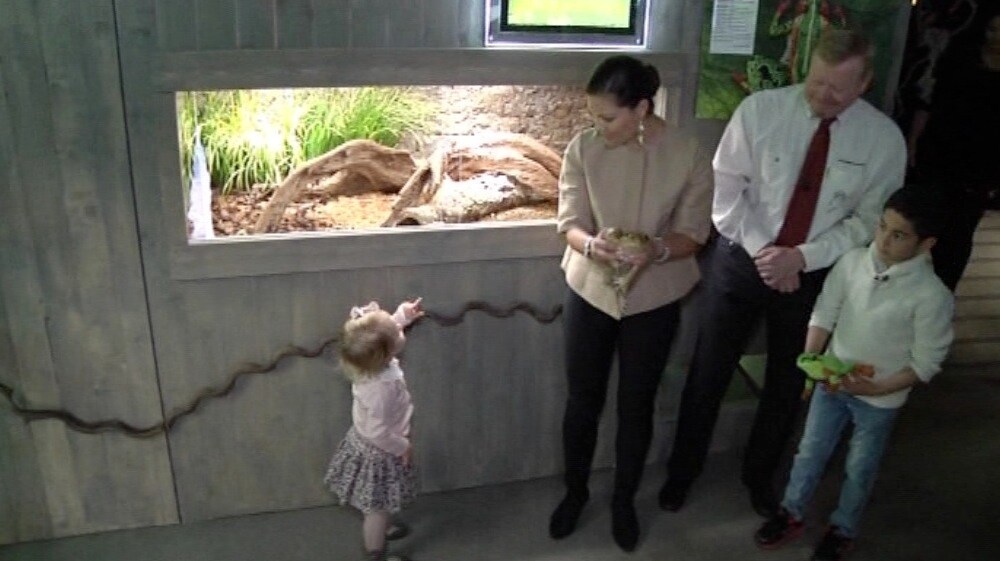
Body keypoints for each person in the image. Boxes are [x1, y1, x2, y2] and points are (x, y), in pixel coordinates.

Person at [659, 29, 907, 519]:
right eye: (816, 82)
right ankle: (681, 473)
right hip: (740, 259)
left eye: (837, 88)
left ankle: (760, 476)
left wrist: (802, 257)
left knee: (787, 383)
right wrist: (767, 252)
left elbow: (868, 221)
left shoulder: (883, 140)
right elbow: (725, 191)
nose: (822, 95)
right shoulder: (761, 111)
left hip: (812, 276)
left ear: (864, 84)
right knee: (708, 370)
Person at [549, 54, 714, 552]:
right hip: (591, 289)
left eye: (608, 117)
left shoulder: (687, 153)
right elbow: (569, 220)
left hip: (654, 296)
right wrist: (589, 244)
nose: (597, 127)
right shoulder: (582, 148)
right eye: (593, 116)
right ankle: (575, 492)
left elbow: (694, 234)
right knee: (582, 401)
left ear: (642, 108)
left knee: (636, 405)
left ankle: (624, 500)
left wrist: (657, 249)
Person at [753, 187, 953, 561]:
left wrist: (877, 388)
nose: (883, 240)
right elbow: (824, 313)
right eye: (881, 227)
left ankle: (843, 528)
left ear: (927, 244)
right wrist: (812, 360)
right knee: (809, 451)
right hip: (831, 384)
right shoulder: (852, 262)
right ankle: (791, 512)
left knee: (860, 468)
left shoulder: (932, 296)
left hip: (880, 400)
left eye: (898, 235)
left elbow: (926, 363)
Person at [324, 298, 424, 561]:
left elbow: (385, 331)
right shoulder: (379, 389)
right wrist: (402, 446)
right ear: (387, 352)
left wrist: (403, 315)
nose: (398, 328)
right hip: (379, 451)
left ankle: (384, 526)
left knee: (382, 498)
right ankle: (375, 552)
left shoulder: (370, 360)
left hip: (373, 445)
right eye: (398, 331)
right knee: (377, 507)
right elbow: (377, 433)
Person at [908, 10, 1000, 291]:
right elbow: (930, 101)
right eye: (992, 28)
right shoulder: (961, 53)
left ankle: (941, 296)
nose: (994, 35)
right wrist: (913, 143)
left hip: (981, 164)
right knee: (921, 224)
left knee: (959, 234)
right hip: (940, 150)